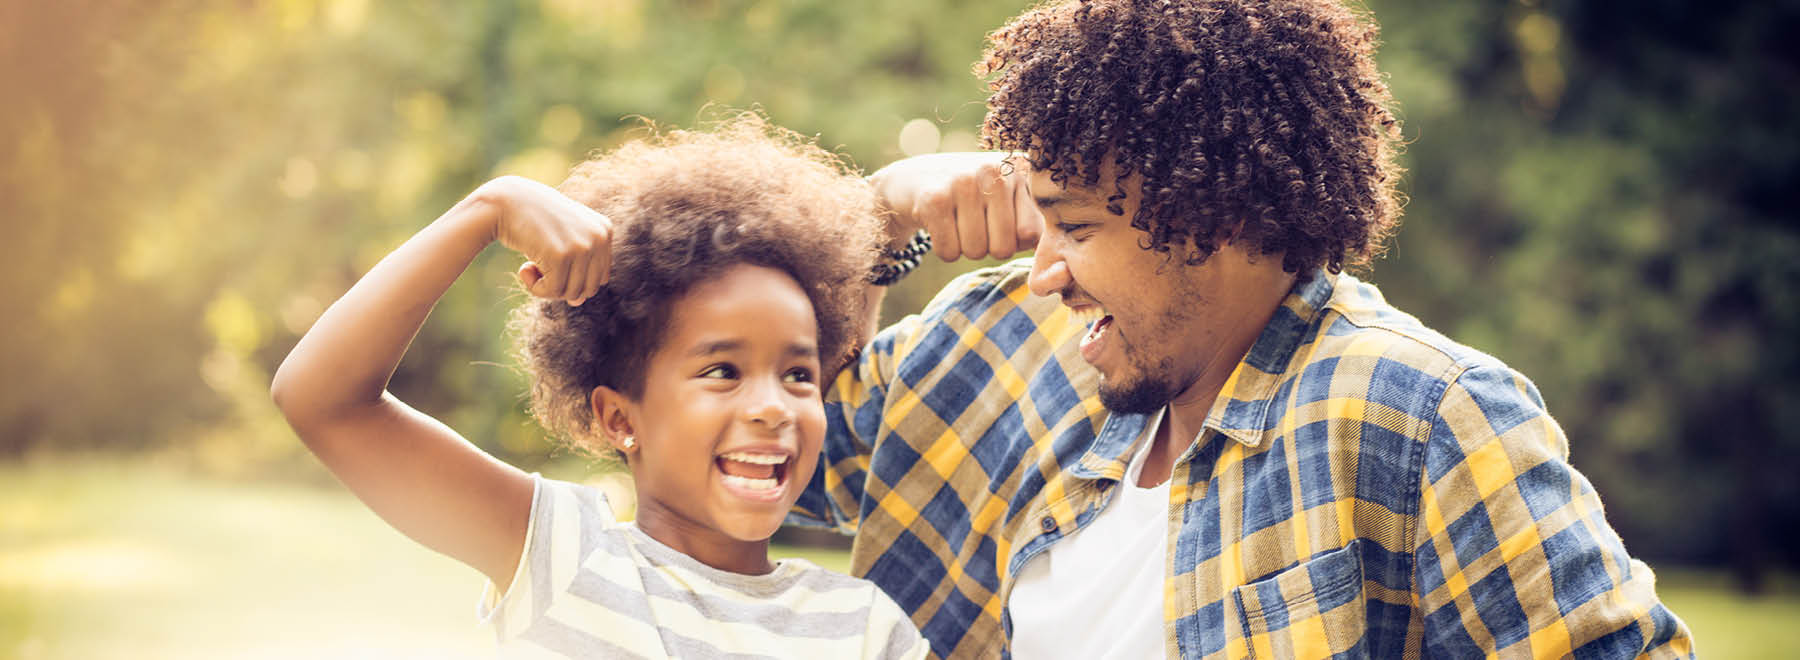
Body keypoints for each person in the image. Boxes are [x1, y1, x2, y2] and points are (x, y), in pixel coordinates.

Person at [787, 0, 1695, 658]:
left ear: (1216, 214)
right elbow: (733, 427)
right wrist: (875, 216)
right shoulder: (1002, 344)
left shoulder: (1420, 416)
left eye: (1077, 226)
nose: (1043, 269)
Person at [271, 115, 930, 659]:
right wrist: (487, 209)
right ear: (620, 419)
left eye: (797, 375)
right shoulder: (563, 556)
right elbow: (322, 402)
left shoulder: (864, 628)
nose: (771, 406)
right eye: (722, 371)